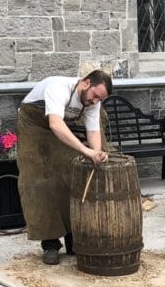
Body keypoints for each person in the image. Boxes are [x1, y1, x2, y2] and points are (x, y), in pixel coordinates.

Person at [16, 70, 113, 265]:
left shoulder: (93, 101)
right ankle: (50, 244)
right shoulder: (57, 87)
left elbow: (93, 130)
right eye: (95, 96)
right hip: (34, 124)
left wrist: (97, 153)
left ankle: (72, 238)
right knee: (40, 181)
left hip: (59, 127)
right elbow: (55, 123)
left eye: (99, 99)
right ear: (85, 83)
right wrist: (84, 150)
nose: (95, 102)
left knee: (71, 176)